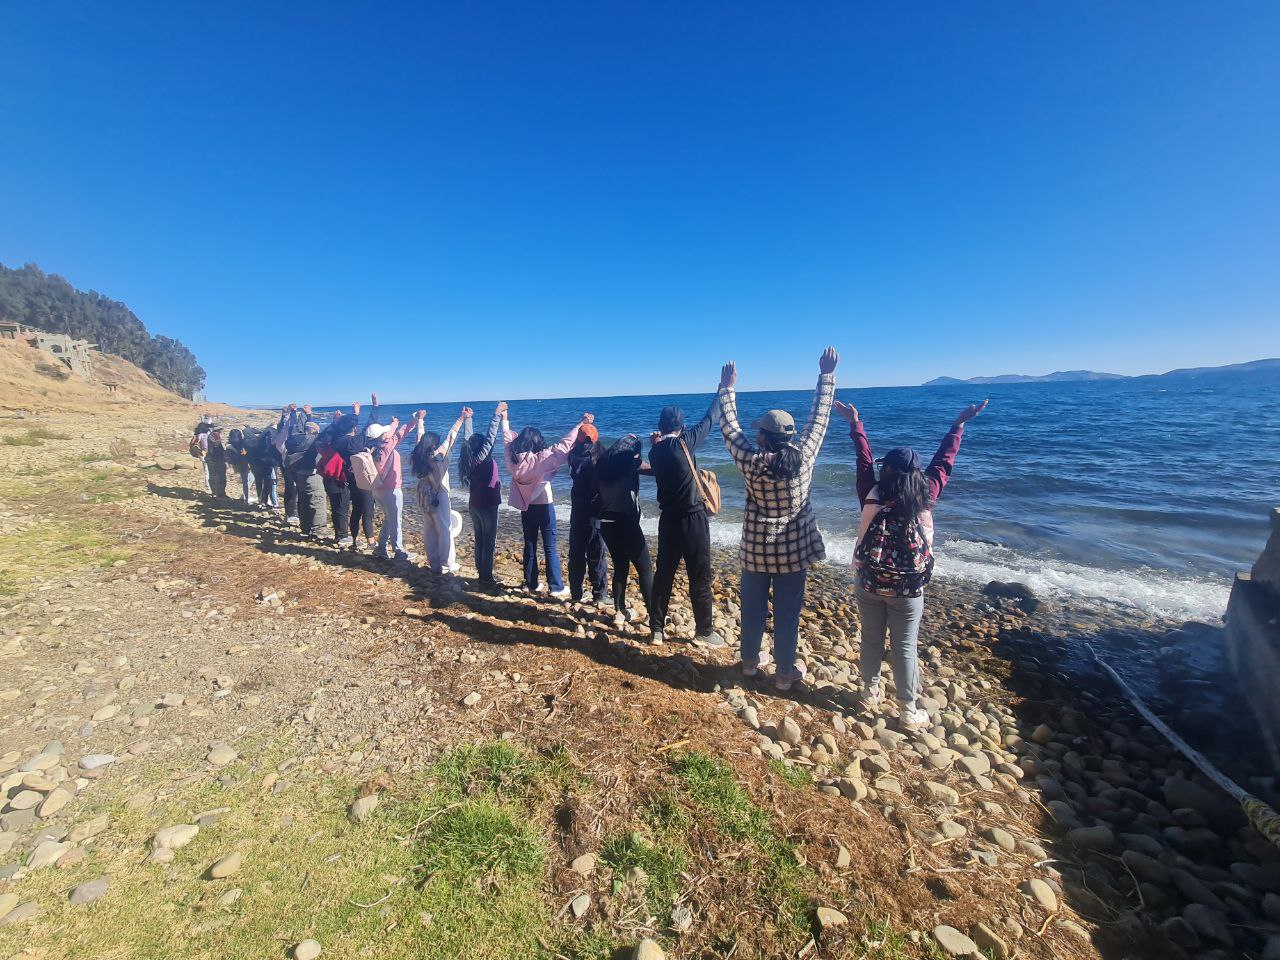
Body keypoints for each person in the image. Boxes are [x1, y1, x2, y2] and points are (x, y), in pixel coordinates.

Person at [835, 396, 988, 728]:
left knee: (871, 637)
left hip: (870, 580)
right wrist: (957, 425)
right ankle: (907, 709)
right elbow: (944, 462)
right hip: (908, 589)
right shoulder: (927, 495)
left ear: (885, 469)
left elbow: (862, 460)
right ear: (916, 474)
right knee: (904, 645)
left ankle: (869, 691)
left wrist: (855, 424)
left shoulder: (871, 492)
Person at [718, 348, 838, 691]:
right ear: (789, 436)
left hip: (757, 550)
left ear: (763, 437)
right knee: (787, 614)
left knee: (753, 608)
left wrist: (727, 387)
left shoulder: (750, 460)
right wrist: (826, 376)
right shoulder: (805, 456)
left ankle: (750, 663)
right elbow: (819, 420)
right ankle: (785, 673)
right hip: (793, 552)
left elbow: (729, 428)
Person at [647, 395, 722, 646]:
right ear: (682, 426)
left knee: (664, 575)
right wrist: (724, 388)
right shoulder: (684, 443)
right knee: (699, 575)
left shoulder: (655, 452)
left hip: (668, 521)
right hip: (693, 519)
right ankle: (704, 631)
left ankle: (656, 630)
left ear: (660, 426)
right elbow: (710, 419)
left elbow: (659, 454)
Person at [503, 410, 595, 598]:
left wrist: (504, 419)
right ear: (537, 442)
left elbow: (506, 438)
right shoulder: (542, 458)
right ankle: (556, 587)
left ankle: (532, 583)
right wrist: (580, 424)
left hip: (526, 507)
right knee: (550, 547)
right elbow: (565, 444)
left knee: (529, 544)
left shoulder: (511, 458)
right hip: (544, 506)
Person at [596, 434, 655, 631]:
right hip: (627, 523)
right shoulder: (630, 464)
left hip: (606, 523)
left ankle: (620, 612)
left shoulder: (603, 463)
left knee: (621, 568)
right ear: (633, 453)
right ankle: (655, 618)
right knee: (645, 570)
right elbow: (655, 469)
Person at [410, 406, 471, 575]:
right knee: (444, 530)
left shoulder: (419, 457)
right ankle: (446, 564)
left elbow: (419, 439)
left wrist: (420, 420)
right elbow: (450, 439)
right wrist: (461, 418)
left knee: (429, 528)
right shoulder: (439, 461)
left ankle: (434, 563)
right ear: (434, 446)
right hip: (439, 495)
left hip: (422, 494)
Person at [458, 402, 506, 586]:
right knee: (488, 542)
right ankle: (486, 577)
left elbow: (468, 439)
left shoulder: (469, 458)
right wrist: (496, 414)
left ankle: (481, 573)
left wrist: (468, 419)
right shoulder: (482, 458)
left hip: (474, 505)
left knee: (480, 540)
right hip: (487, 505)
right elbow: (490, 438)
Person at [366, 408, 422, 561]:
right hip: (391, 490)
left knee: (388, 518)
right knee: (395, 520)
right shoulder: (387, 447)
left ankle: (380, 548)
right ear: (382, 436)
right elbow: (400, 434)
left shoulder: (372, 447)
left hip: (376, 489)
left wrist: (394, 424)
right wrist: (415, 419)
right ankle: (399, 551)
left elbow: (392, 434)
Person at [567, 424, 609, 605]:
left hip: (578, 508)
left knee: (576, 551)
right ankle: (599, 593)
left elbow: (569, 444)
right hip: (595, 510)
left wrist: (580, 423)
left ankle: (576, 592)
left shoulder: (573, 456)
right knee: (597, 551)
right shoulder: (601, 458)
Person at [333, 395, 380, 551]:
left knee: (357, 509)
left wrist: (354, 415)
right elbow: (370, 427)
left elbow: (361, 429)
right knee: (367, 510)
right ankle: (371, 542)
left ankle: (355, 539)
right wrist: (375, 406)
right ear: (352, 429)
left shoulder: (338, 440)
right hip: (363, 479)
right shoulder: (353, 443)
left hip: (350, 479)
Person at [316, 416, 352, 546]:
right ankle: (342, 535)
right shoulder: (337, 449)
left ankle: (339, 534)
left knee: (336, 507)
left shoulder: (323, 446)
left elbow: (326, 433)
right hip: (338, 480)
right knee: (342, 508)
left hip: (328, 479)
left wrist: (335, 423)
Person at [225, 428, 257, 504]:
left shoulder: (229, 445)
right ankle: (246, 498)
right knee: (248, 480)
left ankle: (245, 496)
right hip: (245, 464)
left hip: (236, 465)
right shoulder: (242, 443)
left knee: (246, 480)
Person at [203, 425, 229, 499]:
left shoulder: (212, 435)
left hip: (212, 459)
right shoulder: (215, 436)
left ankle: (216, 493)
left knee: (214, 476)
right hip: (215, 459)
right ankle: (220, 493)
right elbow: (217, 447)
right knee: (219, 477)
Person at [192, 413, 214, 493]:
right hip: (204, 454)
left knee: (208, 470)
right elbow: (196, 443)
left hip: (206, 454)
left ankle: (210, 486)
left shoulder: (202, 433)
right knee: (208, 470)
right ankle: (209, 486)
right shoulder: (202, 435)